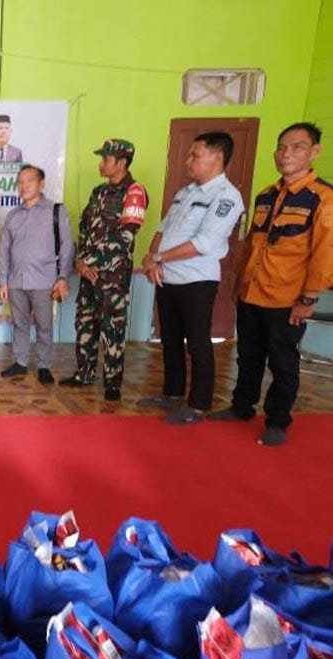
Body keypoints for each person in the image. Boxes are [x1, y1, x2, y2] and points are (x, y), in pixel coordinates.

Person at [210, 122, 333, 446]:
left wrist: (307, 300)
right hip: (253, 292)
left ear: (314, 152)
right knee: (248, 356)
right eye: (282, 147)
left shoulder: (322, 197)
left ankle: (278, 420)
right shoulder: (266, 195)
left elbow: (324, 254)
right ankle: (242, 407)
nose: (286, 153)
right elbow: (251, 243)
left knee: (282, 361)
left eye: (297, 147)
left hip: (287, 298)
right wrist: (239, 283)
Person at [138, 132, 244, 424]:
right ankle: (171, 393)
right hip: (167, 277)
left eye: (195, 155)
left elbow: (203, 244)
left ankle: (198, 404)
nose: (188, 161)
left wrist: (159, 258)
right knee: (169, 339)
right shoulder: (186, 192)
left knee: (197, 342)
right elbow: (163, 229)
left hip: (197, 281)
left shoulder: (226, 197)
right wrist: (150, 258)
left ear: (217, 158)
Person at [59, 139, 148, 401]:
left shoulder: (134, 192)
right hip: (88, 275)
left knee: (112, 329)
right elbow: (85, 228)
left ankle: (112, 383)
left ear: (121, 162)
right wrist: (79, 262)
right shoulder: (98, 192)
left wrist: (91, 262)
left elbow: (126, 236)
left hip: (112, 277)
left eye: (106, 159)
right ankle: (84, 373)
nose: (101, 164)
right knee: (85, 323)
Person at [0, 165, 73, 383]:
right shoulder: (13, 216)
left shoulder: (55, 211)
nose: (23, 186)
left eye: (29, 181)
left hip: (43, 281)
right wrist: (3, 281)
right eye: (20, 181)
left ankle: (44, 365)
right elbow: (4, 250)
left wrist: (62, 277)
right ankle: (20, 362)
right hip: (16, 280)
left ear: (41, 184)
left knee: (44, 325)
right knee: (19, 324)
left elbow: (67, 246)